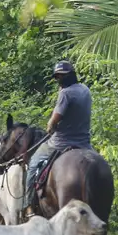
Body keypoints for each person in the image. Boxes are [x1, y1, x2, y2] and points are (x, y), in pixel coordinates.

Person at [23, 60, 93, 214]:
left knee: (33, 164)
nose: (59, 79)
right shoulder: (85, 89)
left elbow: (54, 121)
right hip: (84, 144)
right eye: (57, 77)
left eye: (61, 76)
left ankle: (28, 206)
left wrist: (50, 126)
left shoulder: (65, 93)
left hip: (61, 142)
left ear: (69, 76)